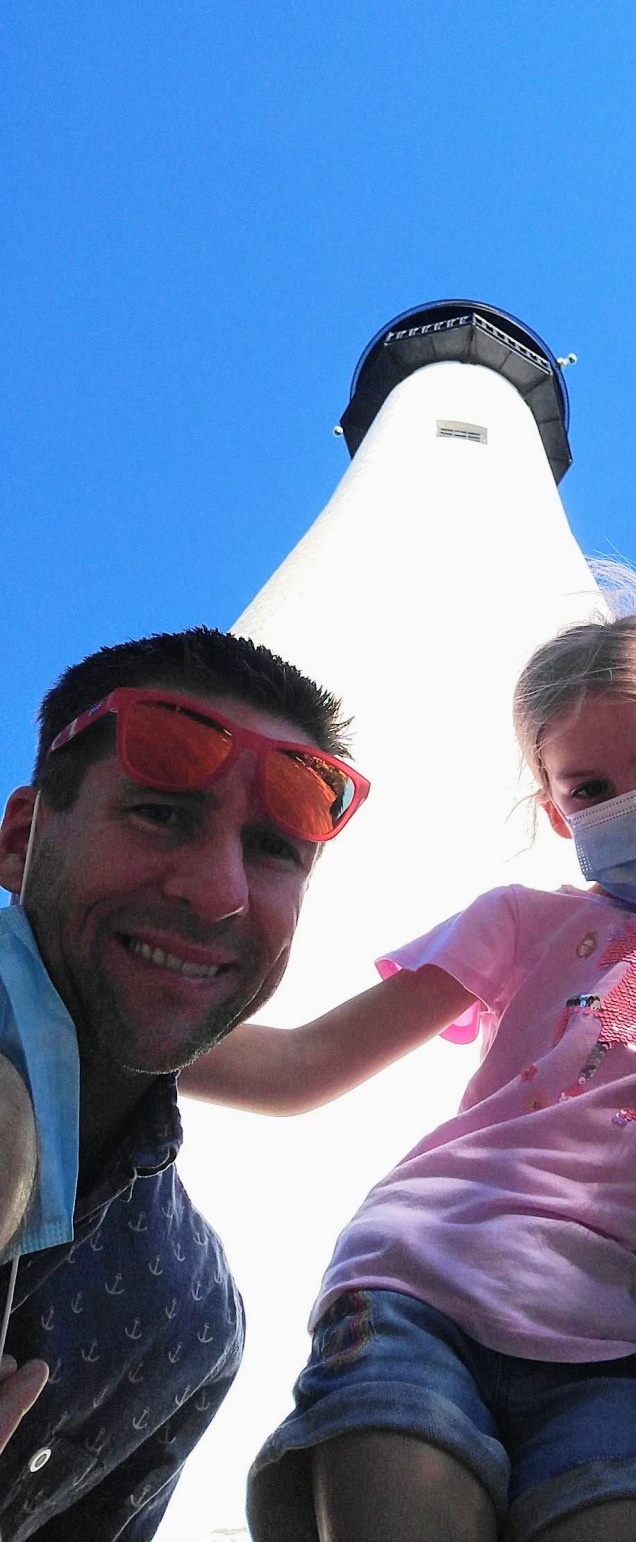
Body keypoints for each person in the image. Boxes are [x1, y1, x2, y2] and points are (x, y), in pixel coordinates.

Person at [182, 607, 636, 1542]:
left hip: (617, 1347)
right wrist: (77, 1032)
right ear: (557, 811)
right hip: (419, 1285)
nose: (631, 802)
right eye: (590, 788)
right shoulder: (521, 918)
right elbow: (300, 1062)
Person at [0, 627, 367, 1540]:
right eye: (162, 813)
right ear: (19, 841)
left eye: (277, 851)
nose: (219, 892)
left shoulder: (182, 1319)